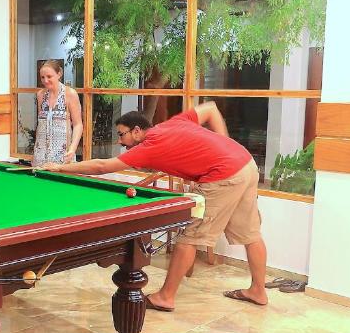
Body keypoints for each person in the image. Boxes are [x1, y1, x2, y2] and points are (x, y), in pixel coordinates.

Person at [42, 102, 269, 311]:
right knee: (250, 233)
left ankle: (165, 297)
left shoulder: (149, 147)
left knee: (189, 238)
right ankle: (258, 291)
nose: (120, 141)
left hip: (224, 175)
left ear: (137, 131)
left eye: (122, 134)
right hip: (245, 164)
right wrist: (224, 146)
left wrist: (61, 168)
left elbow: (102, 166)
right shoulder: (172, 123)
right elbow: (210, 109)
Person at [32, 60, 83, 167]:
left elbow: (78, 124)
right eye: (42, 77)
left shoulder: (70, 94)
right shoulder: (40, 95)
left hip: (63, 156)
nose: (45, 80)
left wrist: (72, 149)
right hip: (40, 156)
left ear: (59, 74)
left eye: (49, 76)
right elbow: (41, 124)